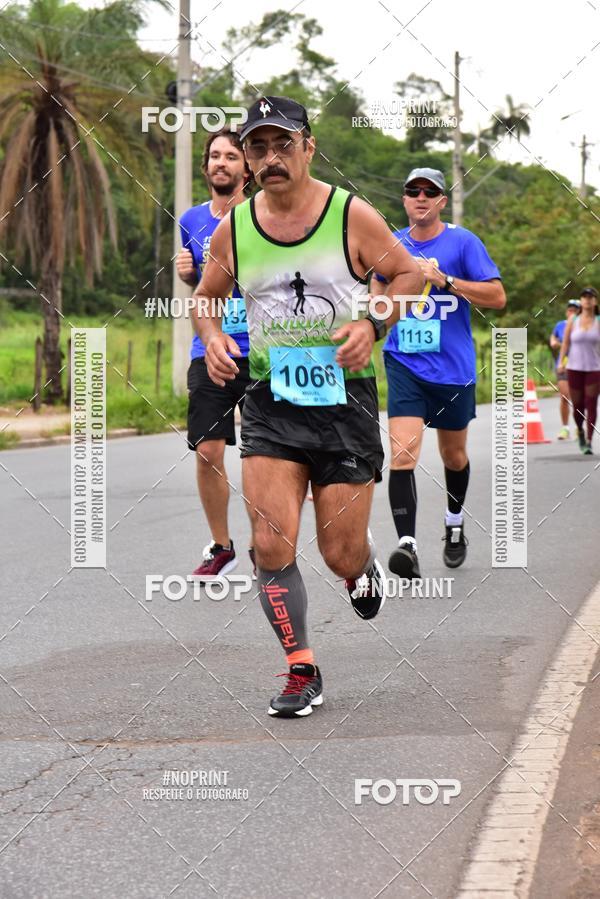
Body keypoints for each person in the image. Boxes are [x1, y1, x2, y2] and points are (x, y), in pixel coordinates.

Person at [192, 96, 423, 717]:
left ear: (308, 146)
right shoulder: (233, 229)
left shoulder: (350, 215)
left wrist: (373, 323)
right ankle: (302, 670)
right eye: (257, 148)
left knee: (337, 551)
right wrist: (214, 337)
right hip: (270, 404)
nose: (270, 158)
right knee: (270, 545)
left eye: (282, 144)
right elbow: (207, 296)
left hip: (344, 403)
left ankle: (361, 566)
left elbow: (407, 276)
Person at [372, 168, 506, 578]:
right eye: (413, 191)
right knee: (403, 452)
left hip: (452, 370)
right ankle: (407, 544)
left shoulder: (463, 242)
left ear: (442, 201)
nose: (421, 197)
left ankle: (453, 523)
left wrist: (443, 279)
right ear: (404, 198)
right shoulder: (391, 243)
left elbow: (497, 296)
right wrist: (382, 312)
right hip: (404, 364)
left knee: (454, 454)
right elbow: (376, 285)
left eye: (430, 192)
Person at [176, 128, 254, 580]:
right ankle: (221, 546)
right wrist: (189, 276)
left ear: (246, 168)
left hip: (263, 351)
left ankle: (268, 540)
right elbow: (207, 288)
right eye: (214, 156)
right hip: (209, 348)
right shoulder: (190, 220)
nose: (221, 163)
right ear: (206, 167)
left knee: (270, 454)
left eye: (231, 156)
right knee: (208, 450)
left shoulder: (264, 216)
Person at [558, 286, 600, 454]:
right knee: (577, 406)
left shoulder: (598, 321)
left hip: (594, 368)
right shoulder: (573, 320)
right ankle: (580, 431)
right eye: (584, 297)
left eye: (590, 297)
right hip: (574, 367)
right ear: (581, 301)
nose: (587, 299)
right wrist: (561, 362)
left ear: (595, 301)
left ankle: (589, 440)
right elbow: (566, 343)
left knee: (591, 404)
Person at [549, 299, 580, 439]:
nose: (571, 313)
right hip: (563, 366)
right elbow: (553, 338)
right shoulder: (560, 325)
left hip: (580, 366)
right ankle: (565, 428)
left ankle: (580, 428)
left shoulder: (585, 326)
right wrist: (554, 342)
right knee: (564, 396)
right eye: (570, 310)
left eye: (575, 310)